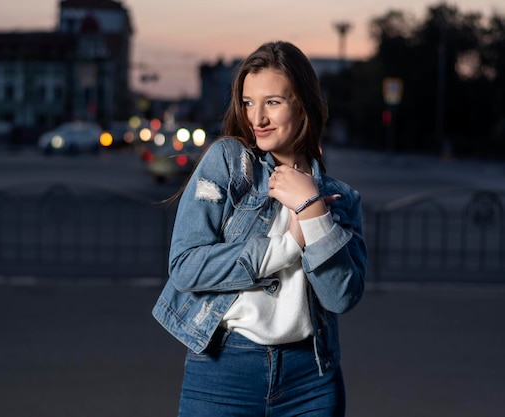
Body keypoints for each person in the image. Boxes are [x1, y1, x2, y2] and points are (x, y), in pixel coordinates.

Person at [152, 40, 367, 417]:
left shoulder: (340, 199)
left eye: (273, 102)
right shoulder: (229, 164)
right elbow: (185, 265)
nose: (258, 118)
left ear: (303, 103)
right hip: (222, 372)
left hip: (311, 381)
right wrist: (286, 246)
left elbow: (341, 297)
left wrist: (313, 209)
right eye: (249, 103)